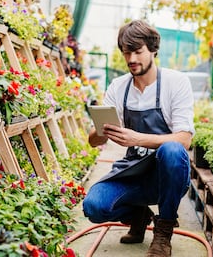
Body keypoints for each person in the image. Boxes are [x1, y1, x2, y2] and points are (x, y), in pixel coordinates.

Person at [82, 20, 195, 257]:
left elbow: (184, 140)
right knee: (94, 206)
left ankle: (163, 233)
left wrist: (136, 138)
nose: (132, 58)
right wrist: (102, 129)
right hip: (132, 172)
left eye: (138, 51)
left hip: (166, 176)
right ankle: (139, 215)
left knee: (172, 150)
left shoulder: (175, 83)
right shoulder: (118, 87)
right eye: (126, 52)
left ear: (153, 49)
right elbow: (93, 142)